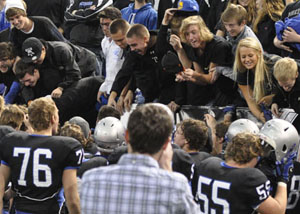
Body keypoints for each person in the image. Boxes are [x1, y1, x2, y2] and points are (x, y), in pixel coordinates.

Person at [80, 104, 199, 214]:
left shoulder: (90, 180)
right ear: (166, 144)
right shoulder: (176, 186)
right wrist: (168, 172)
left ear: (126, 137)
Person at [0, 97, 82, 214]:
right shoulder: (67, 146)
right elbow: (72, 199)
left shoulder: (12, 141)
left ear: (30, 119)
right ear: (53, 118)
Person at [192, 132, 290, 214]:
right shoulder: (250, 177)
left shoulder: (207, 163)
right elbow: (278, 211)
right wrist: (282, 180)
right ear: (254, 156)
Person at [234, 37, 277, 123]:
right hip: (266, 109)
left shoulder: (273, 64)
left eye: (250, 55)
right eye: (243, 57)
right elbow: (250, 101)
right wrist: (260, 116)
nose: (247, 60)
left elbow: (288, 88)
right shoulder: (242, 71)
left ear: (259, 53)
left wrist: (274, 97)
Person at [96, 7, 124, 108]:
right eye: (102, 24)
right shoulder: (104, 41)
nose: (104, 28)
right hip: (109, 88)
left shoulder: (125, 42)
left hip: (122, 89)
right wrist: (104, 87)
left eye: (107, 24)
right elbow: (110, 68)